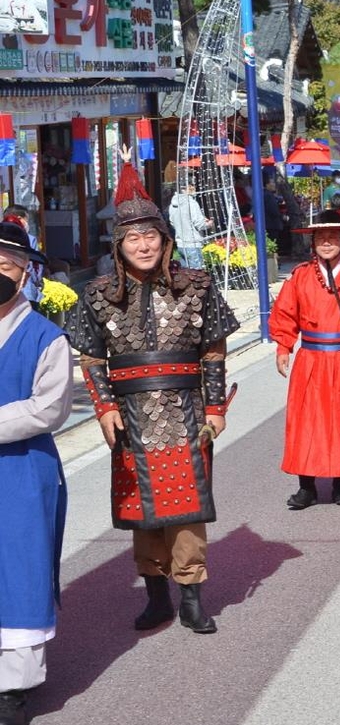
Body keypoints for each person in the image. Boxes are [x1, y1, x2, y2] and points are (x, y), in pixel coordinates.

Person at [64, 154, 239, 634]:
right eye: (132, 238)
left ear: (166, 240)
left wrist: (216, 408)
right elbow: (93, 359)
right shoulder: (97, 295)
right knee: (141, 510)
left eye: (150, 236)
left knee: (187, 508)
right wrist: (102, 409)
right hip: (129, 416)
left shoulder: (198, 286)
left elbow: (214, 354)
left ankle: (191, 596)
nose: (143, 245)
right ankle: (157, 596)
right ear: (119, 245)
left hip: (185, 412)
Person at [0, 223, 71, 725]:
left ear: (26, 273)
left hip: (21, 467)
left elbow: (49, 409)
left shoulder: (47, 336)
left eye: (5, 266)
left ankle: (13, 692)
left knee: (20, 569)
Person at [270, 211, 340, 509]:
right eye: (321, 238)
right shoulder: (300, 276)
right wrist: (283, 346)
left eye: (333, 237)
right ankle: (306, 486)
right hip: (311, 357)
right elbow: (284, 313)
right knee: (307, 421)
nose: (327, 243)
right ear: (313, 243)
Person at [166, 181, 209, 269]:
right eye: (191, 186)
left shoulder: (172, 204)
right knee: (197, 276)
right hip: (193, 244)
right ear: (183, 189)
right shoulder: (192, 203)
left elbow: (172, 222)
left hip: (180, 244)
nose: (194, 188)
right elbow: (200, 224)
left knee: (185, 275)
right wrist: (208, 223)